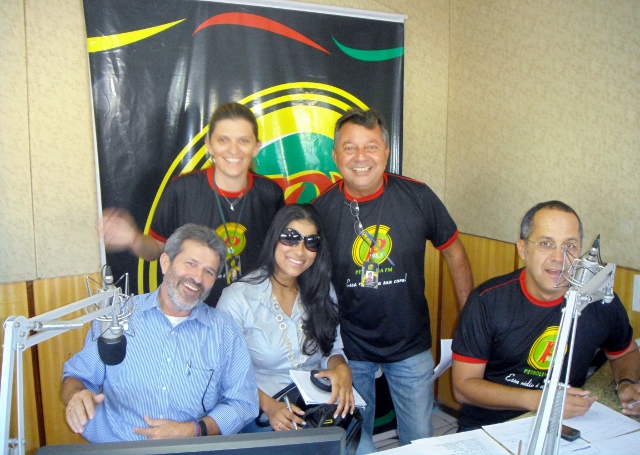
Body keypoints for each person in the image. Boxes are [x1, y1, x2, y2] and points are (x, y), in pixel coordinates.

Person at [312, 108, 473, 452]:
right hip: (349, 349)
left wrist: (469, 321)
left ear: (386, 152)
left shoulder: (418, 196)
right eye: (350, 148)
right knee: (356, 441)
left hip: (410, 344)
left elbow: (455, 253)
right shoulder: (319, 210)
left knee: (421, 439)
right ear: (335, 155)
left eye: (371, 146)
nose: (361, 157)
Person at [451, 200, 640, 431]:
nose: (559, 257)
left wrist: (626, 383)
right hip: (490, 425)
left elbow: (625, 352)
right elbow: (463, 387)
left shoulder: (598, 299)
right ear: (523, 249)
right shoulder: (487, 301)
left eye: (570, 246)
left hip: (564, 423)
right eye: (546, 243)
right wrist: (542, 401)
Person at [61, 224, 259, 443]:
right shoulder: (117, 316)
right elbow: (77, 376)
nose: (197, 277)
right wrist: (76, 395)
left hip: (190, 448)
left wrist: (192, 430)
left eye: (209, 272)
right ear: (165, 263)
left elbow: (243, 404)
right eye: (190, 263)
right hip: (118, 447)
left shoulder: (225, 331)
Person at [102, 102, 285, 307]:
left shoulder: (271, 194)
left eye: (243, 140)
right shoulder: (182, 190)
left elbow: (280, 257)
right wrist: (133, 239)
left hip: (252, 310)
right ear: (209, 145)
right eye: (223, 140)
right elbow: (156, 250)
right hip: (194, 310)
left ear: (256, 146)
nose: (233, 150)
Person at [217, 204, 355, 432]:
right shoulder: (237, 299)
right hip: (261, 410)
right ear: (274, 239)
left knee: (361, 446)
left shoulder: (323, 290)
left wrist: (340, 367)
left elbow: (332, 349)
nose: (300, 251)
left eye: (311, 242)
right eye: (290, 238)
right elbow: (224, 374)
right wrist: (269, 406)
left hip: (317, 407)